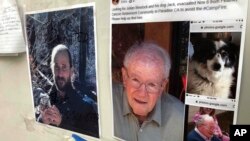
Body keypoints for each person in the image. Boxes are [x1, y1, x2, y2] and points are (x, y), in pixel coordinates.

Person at [113, 42, 184, 141]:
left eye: (151, 84)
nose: (142, 93)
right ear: (125, 77)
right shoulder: (104, 102)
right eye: (136, 80)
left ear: (162, 86)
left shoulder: (180, 119)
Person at [40, 44, 99, 137]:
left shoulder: (86, 108)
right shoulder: (44, 102)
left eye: (64, 67)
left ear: (71, 71)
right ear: (52, 69)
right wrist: (41, 122)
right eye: (56, 67)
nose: (60, 73)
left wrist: (62, 123)